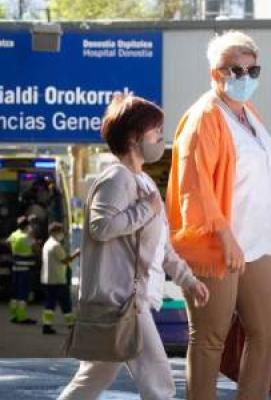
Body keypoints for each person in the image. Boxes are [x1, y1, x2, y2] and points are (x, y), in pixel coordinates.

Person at [58, 94, 210, 400]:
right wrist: (145, 211)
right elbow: (101, 228)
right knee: (159, 383)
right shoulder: (117, 179)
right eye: (156, 133)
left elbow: (161, 248)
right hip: (122, 302)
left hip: (130, 301)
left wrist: (189, 281)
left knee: (94, 377)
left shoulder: (145, 183)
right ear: (133, 137)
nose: (161, 140)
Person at [166, 30, 271, 399]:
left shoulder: (249, 113)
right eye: (234, 69)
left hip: (257, 244)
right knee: (209, 338)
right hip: (216, 246)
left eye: (252, 70)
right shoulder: (204, 116)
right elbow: (194, 185)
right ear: (214, 73)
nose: (244, 77)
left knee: (267, 331)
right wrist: (225, 235)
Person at [40, 222, 79, 335]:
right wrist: (76, 253)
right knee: (66, 303)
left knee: (50, 304)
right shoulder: (56, 246)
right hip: (58, 280)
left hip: (48, 279)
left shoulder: (47, 244)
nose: (62, 234)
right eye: (60, 231)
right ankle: (71, 326)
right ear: (54, 232)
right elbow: (65, 260)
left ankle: (46, 325)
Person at [6, 215, 37, 324]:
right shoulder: (27, 237)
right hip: (25, 270)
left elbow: (8, 242)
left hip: (15, 268)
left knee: (14, 293)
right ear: (26, 225)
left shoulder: (14, 235)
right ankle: (22, 317)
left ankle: (14, 315)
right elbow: (36, 249)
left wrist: (15, 253)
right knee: (23, 294)